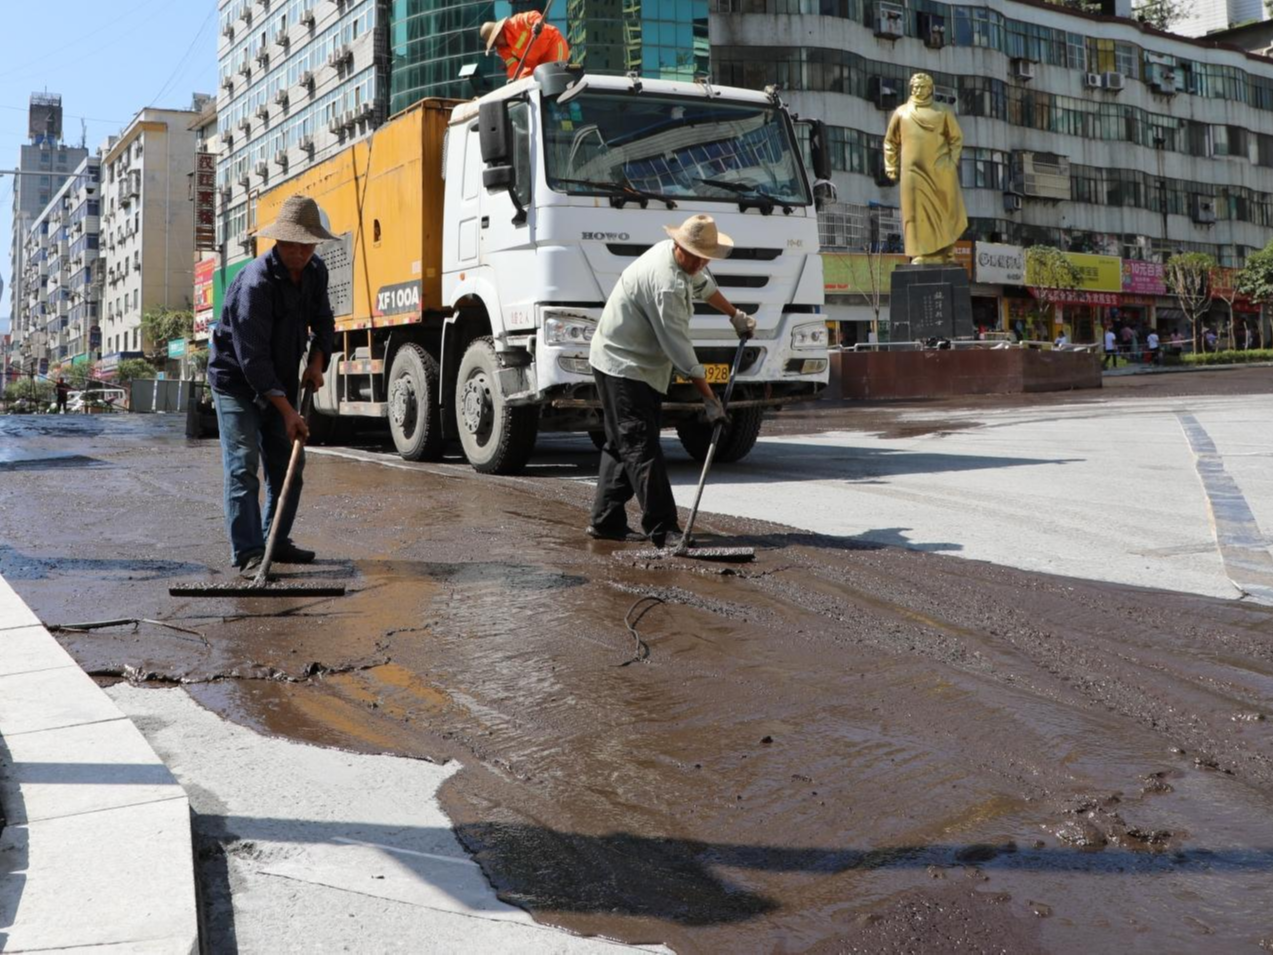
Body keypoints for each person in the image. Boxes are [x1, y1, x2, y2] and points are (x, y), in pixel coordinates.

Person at [588, 214, 755, 549]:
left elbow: (704, 286)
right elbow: (679, 349)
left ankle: (606, 521)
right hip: (623, 364)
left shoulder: (681, 262)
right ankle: (663, 529)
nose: (697, 263)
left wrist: (734, 314)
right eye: (692, 255)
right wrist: (710, 400)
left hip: (634, 364)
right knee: (640, 445)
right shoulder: (666, 283)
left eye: (703, 258)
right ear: (678, 244)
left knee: (622, 443)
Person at [207, 195, 336, 578]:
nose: (299, 252)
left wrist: (316, 363)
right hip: (237, 382)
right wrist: (287, 411)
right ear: (277, 242)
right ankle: (249, 553)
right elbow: (253, 361)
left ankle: (275, 541)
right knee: (244, 464)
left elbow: (324, 323)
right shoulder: (255, 283)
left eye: (306, 244)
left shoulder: (315, 272)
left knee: (289, 468)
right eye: (291, 243)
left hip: (280, 379)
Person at [883, 73, 968, 264]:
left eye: (921, 86)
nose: (916, 90)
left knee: (945, 210)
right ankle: (921, 253)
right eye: (914, 86)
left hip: (940, 172)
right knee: (915, 212)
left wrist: (951, 162)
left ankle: (946, 251)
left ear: (930, 89)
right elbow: (890, 141)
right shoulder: (902, 112)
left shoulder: (943, 111)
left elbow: (956, 138)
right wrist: (891, 165)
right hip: (912, 173)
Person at [480, 11, 569, 81]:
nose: (496, 45)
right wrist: (514, 80)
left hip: (553, 45)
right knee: (522, 83)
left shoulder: (515, 22)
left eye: (495, 41)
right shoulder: (502, 49)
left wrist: (537, 25)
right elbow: (513, 67)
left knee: (553, 76)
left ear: (498, 33)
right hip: (535, 62)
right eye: (493, 44)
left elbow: (533, 15)